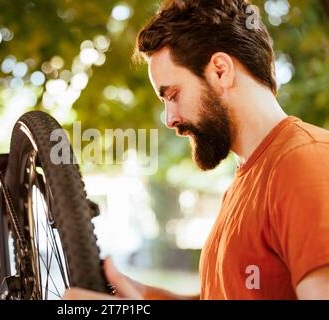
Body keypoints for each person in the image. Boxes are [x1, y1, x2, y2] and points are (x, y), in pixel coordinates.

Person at [63, 0, 329, 300]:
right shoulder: (247, 181)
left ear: (220, 71)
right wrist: (140, 295)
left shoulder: (307, 161)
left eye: (173, 95)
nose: (170, 119)